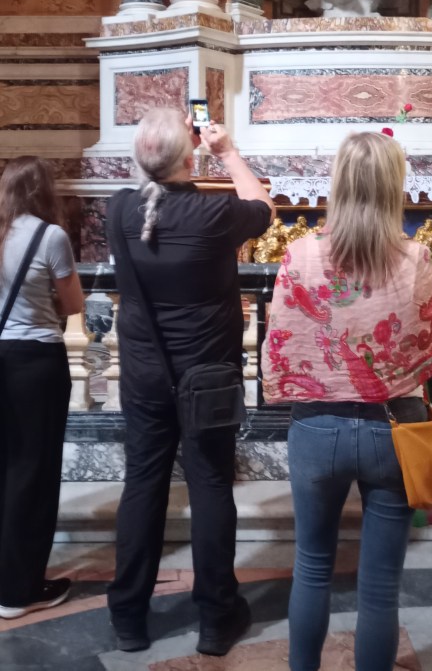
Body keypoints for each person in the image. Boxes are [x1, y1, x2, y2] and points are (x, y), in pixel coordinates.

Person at [262, 132, 432, 671]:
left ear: (338, 183)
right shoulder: (415, 257)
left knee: (311, 567)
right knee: (379, 588)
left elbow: (280, 339)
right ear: (395, 184)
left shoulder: (299, 255)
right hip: (393, 429)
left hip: (316, 431)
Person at [106, 108, 274, 655]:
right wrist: (225, 152)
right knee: (208, 487)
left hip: (145, 373)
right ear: (188, 157)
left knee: (143, 485)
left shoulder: (119, 208)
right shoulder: (212, 212)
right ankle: (215, 617)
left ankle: (128, 617)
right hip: (205, 373)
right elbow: (264, 207)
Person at [0, 157, 84, 619]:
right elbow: (72, 304)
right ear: (42, 190)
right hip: (35, 360)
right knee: (33, 472)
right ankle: (18, 589)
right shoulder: (48, 236)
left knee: (4, 467)